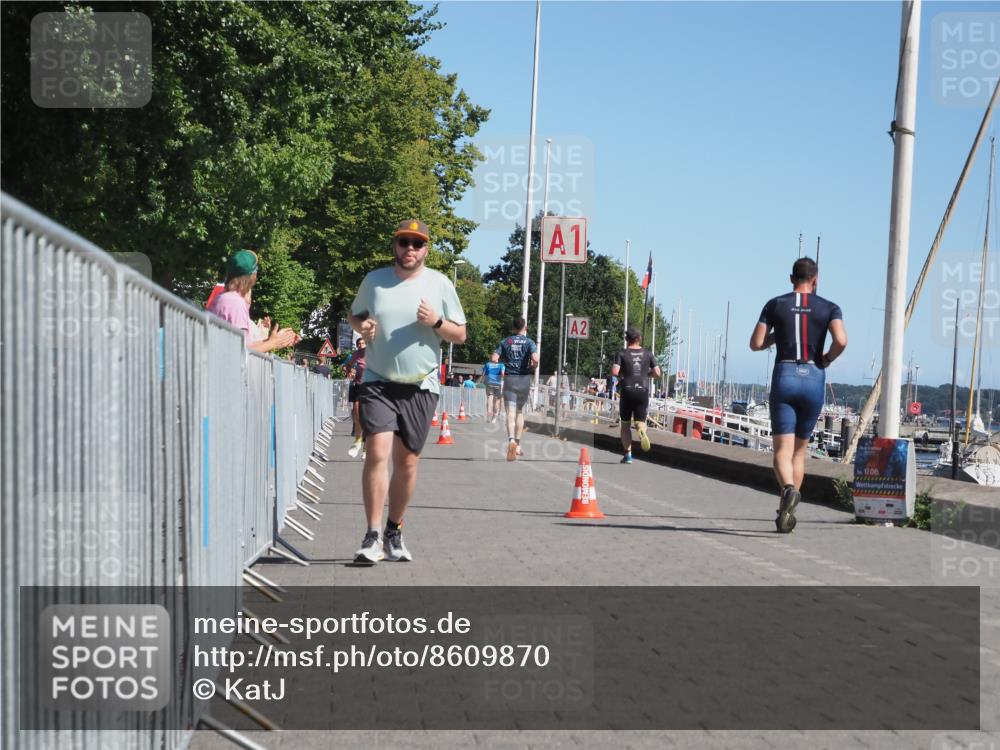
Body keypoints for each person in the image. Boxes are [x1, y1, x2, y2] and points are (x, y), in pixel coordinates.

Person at [349, 219, 466, 564]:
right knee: (377, 451)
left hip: (420, 384)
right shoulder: (375, 281)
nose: (409, 250)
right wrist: (363, 325)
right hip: (377, 379)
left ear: (426, 249)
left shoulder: (440, 284)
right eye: (404, 242)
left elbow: (460, 335)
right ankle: (371, 537)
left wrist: (436, 323)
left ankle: (394, 531)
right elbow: (355, 315)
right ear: (395, 246)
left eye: (417, 244)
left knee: (408, 463)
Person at [750, 256, 847, 533]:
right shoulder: (830, 307)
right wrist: (827, 358)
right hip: (814, 377)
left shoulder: (775, 304)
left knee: (781, 451)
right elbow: (841, 340)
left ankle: (789, 490)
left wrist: (777, 335)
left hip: (786, 375)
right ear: (815, 280)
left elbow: (756, 343)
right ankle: (785, 512)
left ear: (791, 278)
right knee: (799, 454)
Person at [207, 249, 298, 353]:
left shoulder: (223, 297)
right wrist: (272, 343)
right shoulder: (235, 303)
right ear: (252, 276)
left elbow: (245, 346)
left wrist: (272, 340)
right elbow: (241, 352)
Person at [611, 327, 661, 464]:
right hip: (642, 390)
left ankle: (628, 455)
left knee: (625, 424)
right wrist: (646, 374)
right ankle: (641, 431)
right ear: (639, 338)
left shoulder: (621, 353)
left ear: (627, 339)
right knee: (640, 421)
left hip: (627, 389)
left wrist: (622, 374)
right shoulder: (648, 353)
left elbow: (615, 371)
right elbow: (657, 372)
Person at [492, 316, 539, 461]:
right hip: (524, 379)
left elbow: (494, 358)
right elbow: (535, 359)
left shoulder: (505, 341)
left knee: (510, 413)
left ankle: (511, 439)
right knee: (520, 412)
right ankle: (517, 445)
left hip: (510, 379)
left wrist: (503, 363)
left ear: (513, 328)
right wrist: (532, 366)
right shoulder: (529, 342)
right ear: (525, 328)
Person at [345, 338, 367, 459]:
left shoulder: (378, 352)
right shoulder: (357, 354)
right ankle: (358, 441)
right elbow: (348, 364)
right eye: (358, 344)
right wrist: (349, 372)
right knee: (357, 413)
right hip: (359, 385)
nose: (360, 345)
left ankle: (366, 447)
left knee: (369, 418)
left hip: (374, 387)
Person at [483, 358, 505, 423]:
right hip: (498, 384)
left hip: (489, 383)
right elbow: (503, 374)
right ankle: (494, 417)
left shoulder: (488, 364)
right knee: (497, 401)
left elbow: (484, 374)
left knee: (489, 398)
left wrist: (484, 381)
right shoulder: (501, 365)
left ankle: (489, 414)